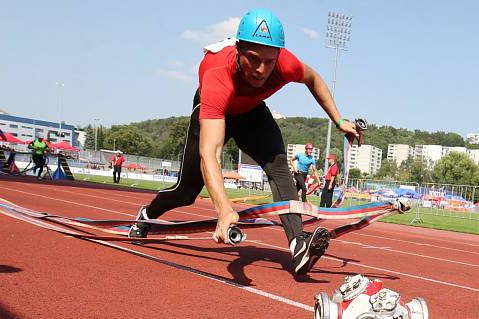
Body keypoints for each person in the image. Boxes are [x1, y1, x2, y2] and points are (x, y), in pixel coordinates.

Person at [128, 9, 361, 275]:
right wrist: (225, 210)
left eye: (269, 62)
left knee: (279, 167)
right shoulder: (217, 75)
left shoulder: (287, 64)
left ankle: (298, 243)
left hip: (251, 112)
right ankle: (146, 215)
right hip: (216, 110)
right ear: (238, 49)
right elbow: (210, 154)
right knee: (185, 193)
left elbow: (314, 79)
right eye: (253, 59)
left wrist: (339, 120)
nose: (261, 70)